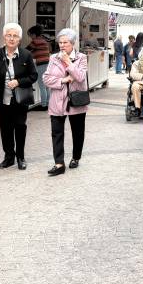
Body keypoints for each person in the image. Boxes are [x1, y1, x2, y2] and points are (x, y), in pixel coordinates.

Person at [0, 23, 38, 170]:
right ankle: (9, 157)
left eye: (15, 36)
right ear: (4, 37)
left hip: (20, 99)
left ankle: (21, 157)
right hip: (2, 99)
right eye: (9, 35)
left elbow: (33, 76)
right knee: (5, 129)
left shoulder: (26, 54)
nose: (12, 39)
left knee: (20, 127)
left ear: (19, 39)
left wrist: (18, 81)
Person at [43, 28, 88, 176]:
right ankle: (59, 163)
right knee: (56, 133)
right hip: (57, 101)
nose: (62, 45)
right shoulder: (53, 58)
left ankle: (76, 157)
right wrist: (63, 80)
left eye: (65, 42)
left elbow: (80, 77)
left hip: (76, 101)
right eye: (60, 42)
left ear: (73, 43)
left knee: (77, 132)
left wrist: (68, 61)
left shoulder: (81, 58)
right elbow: (46, 79)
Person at [25, 25, 52, 109]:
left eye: (30, 35)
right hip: (47, 64)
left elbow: (26, 50)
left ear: (34, 34)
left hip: (41, 65)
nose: (30, 37)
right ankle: (48, 104)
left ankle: (43, 105)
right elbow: (36, 52)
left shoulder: (35, 42)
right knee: (47, 85)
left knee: (41, 85)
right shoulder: (44, 41)